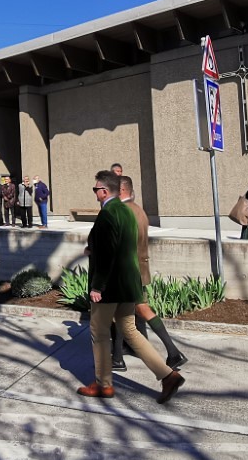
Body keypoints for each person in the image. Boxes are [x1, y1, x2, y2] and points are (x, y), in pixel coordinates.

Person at [79, 170, 185, 403]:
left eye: (96, 189)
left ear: (104, 191)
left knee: (99, 332)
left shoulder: (108, 214)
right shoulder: (128, 211)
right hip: (129, 283)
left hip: (110, 286)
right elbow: (121, 246)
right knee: (130, 330)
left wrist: (97, 286)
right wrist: (94, 249)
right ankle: (168, 375)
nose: (95, 193)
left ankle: (104, 385)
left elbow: (108, 254)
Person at [119, 176, 186, 369]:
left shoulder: (124, 211)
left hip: (128, 269)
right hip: (140, 267)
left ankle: (118, 358)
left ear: (121, 190)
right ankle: (169, 352)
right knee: (138, 309)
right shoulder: (138, 209)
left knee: (125, 311)